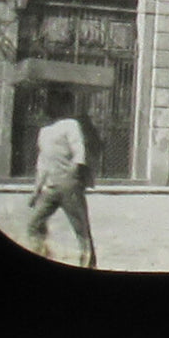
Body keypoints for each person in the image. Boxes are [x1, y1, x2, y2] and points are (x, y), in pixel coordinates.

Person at [26, 87, 97, 268]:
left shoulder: (70, 124)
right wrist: (36, 190)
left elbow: (79, 151)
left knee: (81, 230)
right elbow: (42, 163)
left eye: (54, 101)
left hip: (68, 185)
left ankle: (88, 266)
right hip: (49, 187)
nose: (48, 105)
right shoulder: (44, 130)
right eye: (48, 102)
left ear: (63, 105)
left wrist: (73, 176)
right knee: (34, 225)